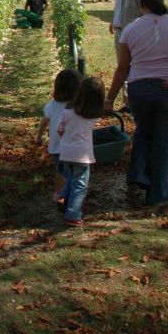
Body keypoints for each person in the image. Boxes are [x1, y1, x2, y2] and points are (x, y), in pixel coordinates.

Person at [105, 0, 168, 209]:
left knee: (143, 133)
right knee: (163, 140)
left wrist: (110, 98)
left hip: (139, 89)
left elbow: (122, 68)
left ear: (142, 5)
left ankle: (137, 176)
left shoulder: (130, 29)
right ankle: (157, 193)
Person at [57, 76, 106, 227]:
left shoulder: (68, 111)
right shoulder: (93, 115)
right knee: (80, 186)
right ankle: (72, 215)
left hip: (65, 153)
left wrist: (67, 139)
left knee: (68, 180)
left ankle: (62, 199)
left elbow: (59, 129)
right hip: (82, 156)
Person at [36, 69, 83, 207]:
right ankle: (71, 194)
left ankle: (59, 192)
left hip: (57, 146)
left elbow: (44, 121)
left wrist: (39, 137)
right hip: (74, 146)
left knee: (61, 170)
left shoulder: (52, 105)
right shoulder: (78, 106)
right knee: (75, 171)